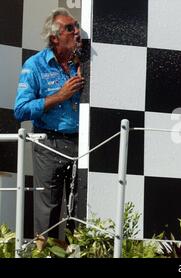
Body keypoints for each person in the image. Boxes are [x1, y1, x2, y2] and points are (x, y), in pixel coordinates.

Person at [14, 8, 84, 240]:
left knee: (82, 207)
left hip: (83, 144)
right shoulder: (35, 65)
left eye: (77, 26)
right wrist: (59, 96)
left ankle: (81, 255)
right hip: (49, 144)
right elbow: (20, 110)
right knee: (48, 212)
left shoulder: (84, 62)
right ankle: (45, 256)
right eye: (70, 28)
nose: (77, 32)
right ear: (55, 37)